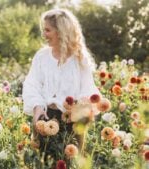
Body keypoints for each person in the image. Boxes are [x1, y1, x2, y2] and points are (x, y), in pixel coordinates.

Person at [22, 8, 101, 166]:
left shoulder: (79, 59)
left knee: (70, 164)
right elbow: (32, 85)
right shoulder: (41, 57)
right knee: (43, 163)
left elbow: (88, 90)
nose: (44, 34)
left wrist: (78, 108)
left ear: (61, 32)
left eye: (48, 30)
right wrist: (37, 107)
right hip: (45, 119)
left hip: (71, 123)